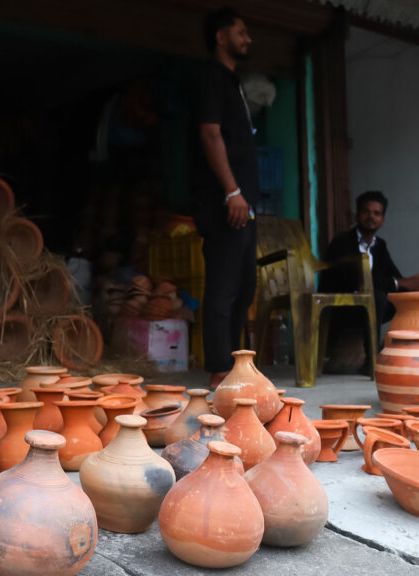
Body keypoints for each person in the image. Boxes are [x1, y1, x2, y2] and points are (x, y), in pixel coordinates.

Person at [192, 8, 258, 389]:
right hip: (225, 202)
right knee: (223, 284)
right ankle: (219, 369)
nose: (248, 38)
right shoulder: (211, 78)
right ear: (220, 37)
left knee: (245, 285)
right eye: (241, 31)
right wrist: (232, 191)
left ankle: (233, 367)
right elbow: (210, 135)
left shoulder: (233, 81)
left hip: (242, 204)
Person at [320, 192, 419, 372]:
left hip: (370, 304)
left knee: (406, 298)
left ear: (383, 219)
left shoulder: (379, 245)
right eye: (366, 212)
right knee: (378, 297)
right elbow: (354, 279)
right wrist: (400, 283)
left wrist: (413, 281)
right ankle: (371, 361)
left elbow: (394, 276)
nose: (371, 217)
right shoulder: (342, 242)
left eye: (377, 213)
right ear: (357, 215)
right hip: (341, 305)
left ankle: (406, 352)